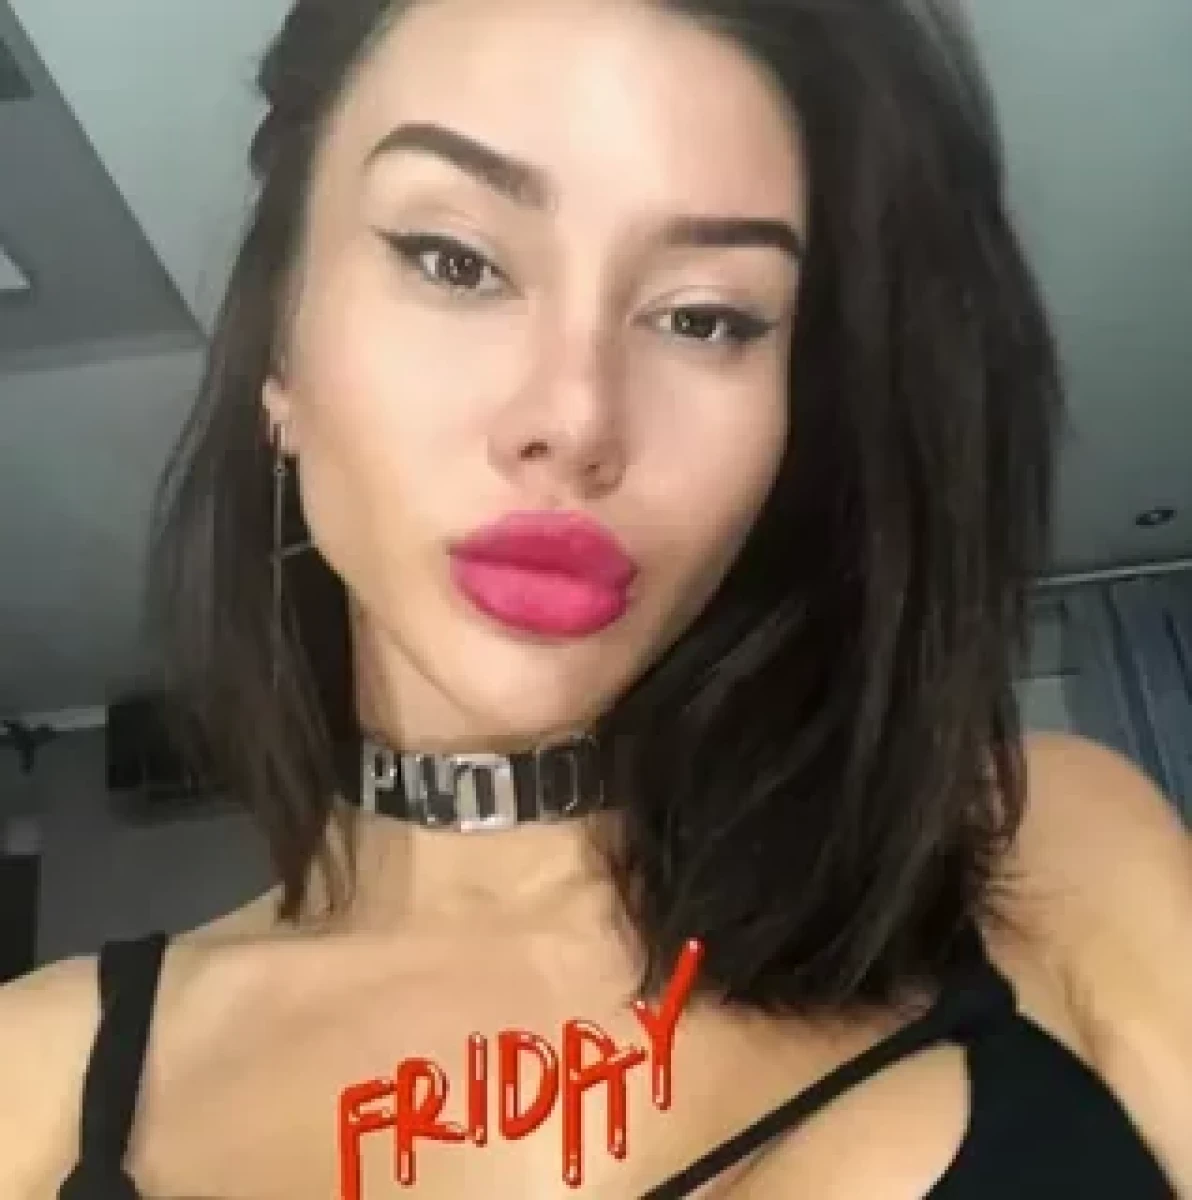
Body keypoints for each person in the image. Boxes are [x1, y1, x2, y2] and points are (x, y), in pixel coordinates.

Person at [2, 0, 1190, 1196]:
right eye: (455, 260)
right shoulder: (37, 1080)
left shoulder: (1030, 846)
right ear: (281, 357)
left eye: (704, 318)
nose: (575, 419)